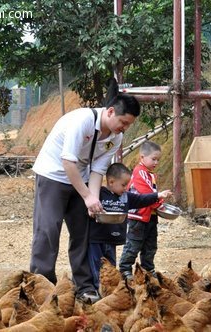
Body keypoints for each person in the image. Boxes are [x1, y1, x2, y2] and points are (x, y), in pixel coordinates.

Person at [30, 93, 140, 303]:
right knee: (48, 230)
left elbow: (98, 170)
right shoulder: (82, 121)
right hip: (53, 175)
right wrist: (87, 195)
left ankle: (85, 287)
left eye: (128, 124)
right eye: (123, 122)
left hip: (82, 179)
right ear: (110, 112)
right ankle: (41, 286)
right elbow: (68, 162)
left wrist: (94, 201)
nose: (124, 128)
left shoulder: (115, 137)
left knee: (83, 233)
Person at [87, 162, 172, 290]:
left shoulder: (126, 197)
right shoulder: (98, 194)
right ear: (111, 182)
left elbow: (141, 199)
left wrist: (157, 195)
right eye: (123, 185)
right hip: (96, 239)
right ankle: (95, 290)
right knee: (96, 267)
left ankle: (111, 291)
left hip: (111, 240)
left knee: (111, 268)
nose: (126, 188)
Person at [118, 141, 167, 280]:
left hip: (150, 217)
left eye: (158, 159)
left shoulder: (149, 173)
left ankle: (148, 269)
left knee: (150, 245)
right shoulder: (139, 172)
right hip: (138, 217)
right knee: (133, 244)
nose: (156, 162)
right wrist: (159, 203)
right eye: (153, 159)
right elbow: (146, 192)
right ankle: (125, 269)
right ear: (142, 157)